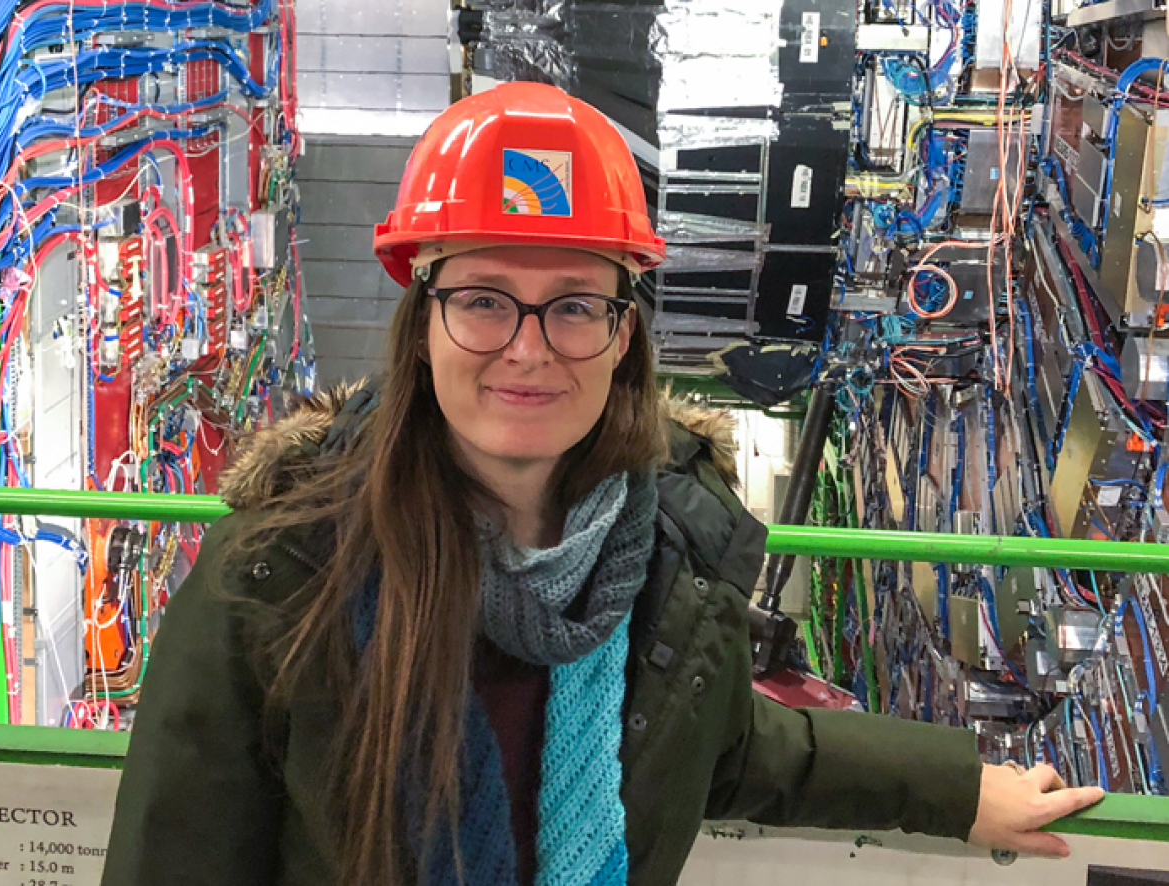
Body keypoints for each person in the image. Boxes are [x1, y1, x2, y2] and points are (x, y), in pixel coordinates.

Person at [101, 82, 1104, 886]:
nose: (528, 350)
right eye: (484, 300)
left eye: (575, 304)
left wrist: (961, 789)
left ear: (623, 333)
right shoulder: (281, 572)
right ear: (423, 323)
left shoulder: (674, 558)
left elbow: (733, 748)